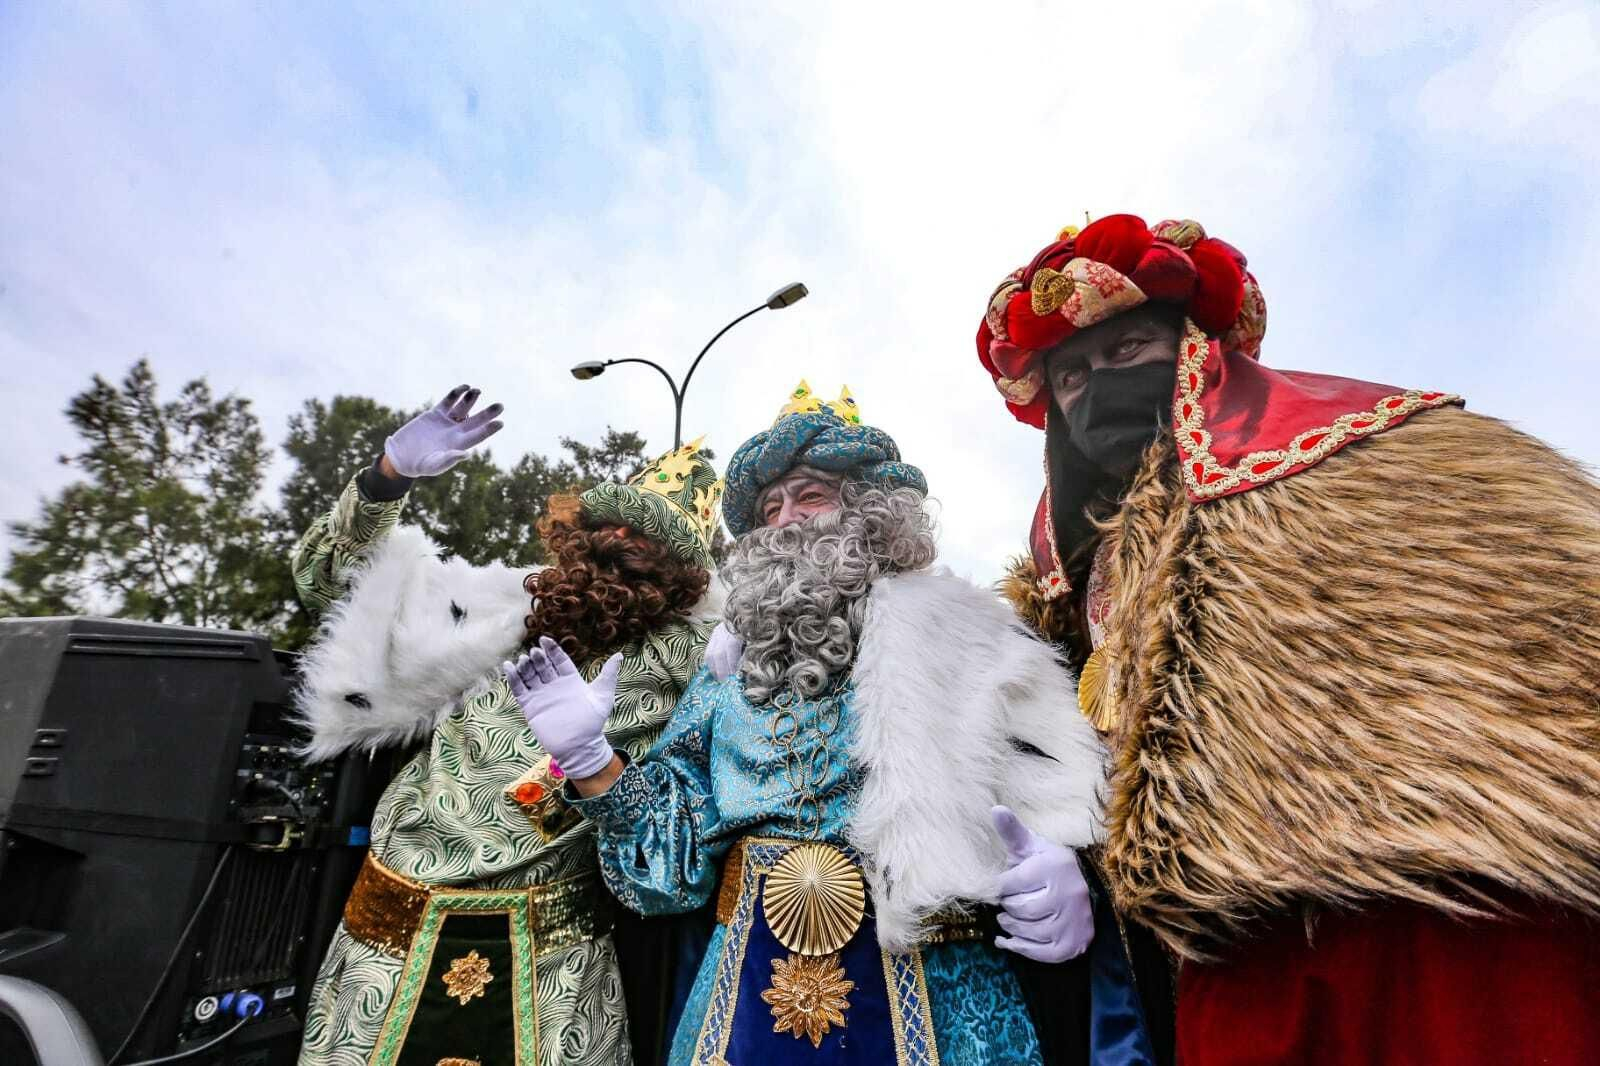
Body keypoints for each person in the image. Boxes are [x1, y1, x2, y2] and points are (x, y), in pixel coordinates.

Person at [979, 214, 1600, 1064]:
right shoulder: (1070, 589)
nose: (1098, 386)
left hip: (1449, 915)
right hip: (1227, 958)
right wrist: (1077, 867)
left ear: (1192, 351)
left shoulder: (1368, 457)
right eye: (1073, 376)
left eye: (1126, 350)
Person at [506, 382, 1106, 1065]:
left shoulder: (965, 629)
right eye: (770, 508)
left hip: (940, 986)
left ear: (869, 507)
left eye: (810, 495)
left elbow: (1055, 775)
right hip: (746, 1000)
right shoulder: (726, 672)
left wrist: (1068, 864)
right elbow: (670, 871)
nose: (786, 519)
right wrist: (592, 762)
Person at [291, 384, 724, 1066]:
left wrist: (594, 761)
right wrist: (387, 478)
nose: (619, 539)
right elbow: (331, 586)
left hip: (553, 974)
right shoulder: (499, 603)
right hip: (387, 943)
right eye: (611, 524)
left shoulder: (697, 659)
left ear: (684, 575)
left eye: (646, 537)